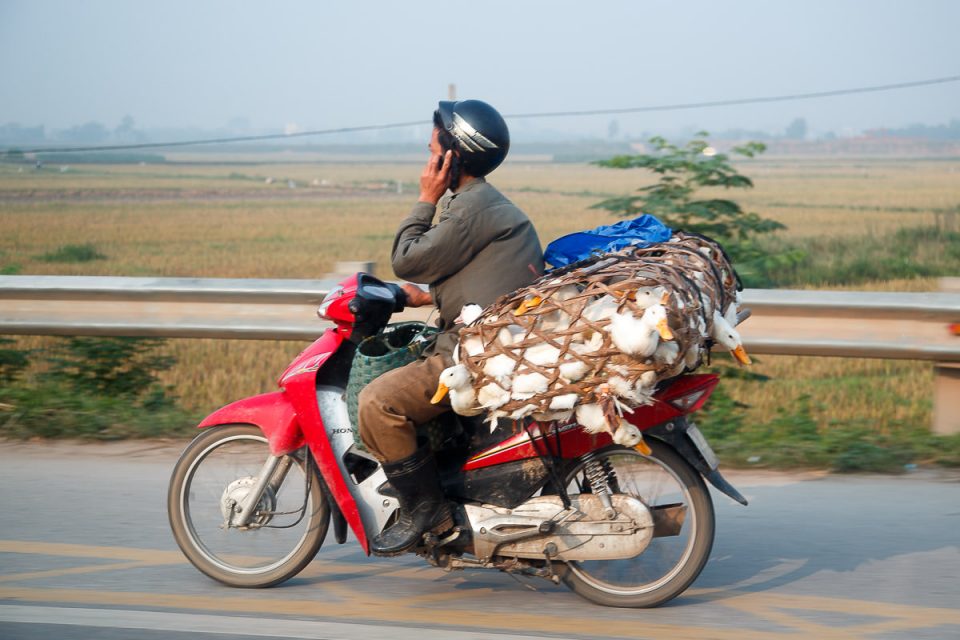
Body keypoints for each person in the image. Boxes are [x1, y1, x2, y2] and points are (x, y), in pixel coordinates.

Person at [358, 99, 545, 556]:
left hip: (477, 350)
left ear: (451, 157)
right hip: (496, 338)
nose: (427, 155)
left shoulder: (470, 209)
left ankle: (428, 511)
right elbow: (477, 274)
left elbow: (407, 258)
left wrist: (425, 198)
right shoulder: (481, 205)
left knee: (377, 403)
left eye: (433, 148)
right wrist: (424, 296)